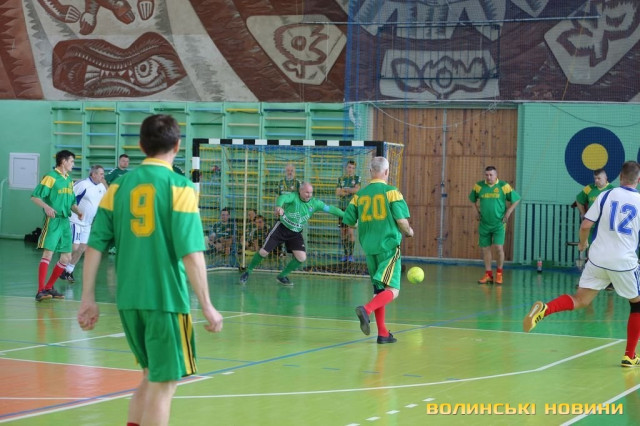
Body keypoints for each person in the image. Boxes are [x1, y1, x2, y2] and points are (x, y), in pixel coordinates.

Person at [76, 114, 224, 425]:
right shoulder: (180, 187)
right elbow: (192, 253)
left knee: (150, 376)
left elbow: (95, 246)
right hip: (165, 300)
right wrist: (207, 305)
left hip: (129, 301)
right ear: (177, 145)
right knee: (164, 384)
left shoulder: (118, 187)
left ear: (142, 146)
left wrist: (87, 297)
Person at [523, 161, 640, 368]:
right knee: (637, 305)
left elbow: (586, 224)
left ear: (620, 177)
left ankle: (546, 309)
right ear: (638, 180)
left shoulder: (605, 195)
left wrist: (583, 243)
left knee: (580, 299)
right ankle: (629, 356)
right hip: (623, 262)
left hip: (597, 259)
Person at [342, 157, 414, 344]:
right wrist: (409, 232)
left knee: (379, 290)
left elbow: (349, 222)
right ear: (387, 172)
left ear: (370, 172)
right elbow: (402, 221)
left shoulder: (359, 195)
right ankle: (366, 309)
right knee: (393, 290)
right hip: (388, 247)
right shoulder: (392, 192)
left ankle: (382, 333)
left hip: (369, 248)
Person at [240, 182, 344, 286]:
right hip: (281, 228)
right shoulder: (294, 197)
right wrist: (279, 207)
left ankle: (282, 276)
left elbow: (331, 209)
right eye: (307, 192)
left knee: (301, 258)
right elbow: (282, 198)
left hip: (295, 233)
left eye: (311, 192)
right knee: (263, 252)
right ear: (300, 191)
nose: (309, 195)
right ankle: (248, 272)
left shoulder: (315, 203)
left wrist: (345, 215)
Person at [31, 150, 84, 301]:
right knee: (48, 254)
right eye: (72, 161)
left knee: (66, 257)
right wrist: (46, 207)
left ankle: (49, 287)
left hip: (65, 221)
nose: (73, 164)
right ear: (63, 161)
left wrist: (78, 211)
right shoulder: (51, 177)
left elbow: (72, 202)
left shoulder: (69, 180)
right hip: (53, 220)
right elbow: (35, 196)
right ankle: (40, 290)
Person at [469, 166, 521, 285]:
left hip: (499, 224)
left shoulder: (503, 186)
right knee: (485, 248)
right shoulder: (479, 186)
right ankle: (488, 275)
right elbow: (472, 200)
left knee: (498, 247)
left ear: (496, 175)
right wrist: (476, 212)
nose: (489, 177)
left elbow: (517, 199)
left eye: (491, 175)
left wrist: (508, 212)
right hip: (484, 223)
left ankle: (499, 274)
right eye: (487, 175)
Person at [60, 164, 107, 283]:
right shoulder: (82, 184)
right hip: (75, 220)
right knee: (74, 247)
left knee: (82, 248)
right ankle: (61, 266)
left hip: (87, 223)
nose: (103, 176)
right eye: (101, 174)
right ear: (94, 174)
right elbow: (68, 197)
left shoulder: (101, 187)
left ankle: (68, 271)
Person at [336, 160, 361, 262]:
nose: (351, 169)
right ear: (346, 168)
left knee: (350, 232)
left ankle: (351, 255)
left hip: (352, 208)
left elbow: (357, 190)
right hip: (341, 208)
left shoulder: (357, 178)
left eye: (353, 168)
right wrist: (350, 190)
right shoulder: (341, 179)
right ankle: (345, 254)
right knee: (343, 232)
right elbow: (338, 192)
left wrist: (345, 190)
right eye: (349, 167)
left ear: (354, 169)